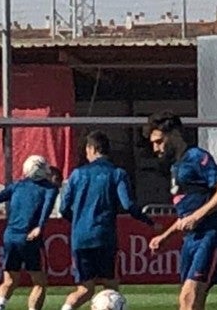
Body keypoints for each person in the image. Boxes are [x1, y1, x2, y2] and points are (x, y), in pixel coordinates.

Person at [58, 130, 159, 310]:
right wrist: (149, 221)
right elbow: (128, 205)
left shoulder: (77, 174)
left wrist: (79, 221)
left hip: (80, 239)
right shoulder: (117, 173)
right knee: (111, 287)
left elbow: (64, 208)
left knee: (85, 289)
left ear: (91, 148)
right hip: (104, 237)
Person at [144, 112, 217, 310]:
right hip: (191, 240)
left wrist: (197, 216)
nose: (156, 148)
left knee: (189, 298)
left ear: (174, 134)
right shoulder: (176, 167)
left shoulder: (196, 157)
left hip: (210, 235)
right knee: (190, 302)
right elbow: (186, 215)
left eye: (159, 141)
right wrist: (165, 236)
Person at [0, 155, 60, 310]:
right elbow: (47, 208)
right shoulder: (49, 188)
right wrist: (40, 226)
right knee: (39, 282)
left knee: (9, 281)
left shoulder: (17, 186)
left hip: (10, 236)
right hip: (29, 237)